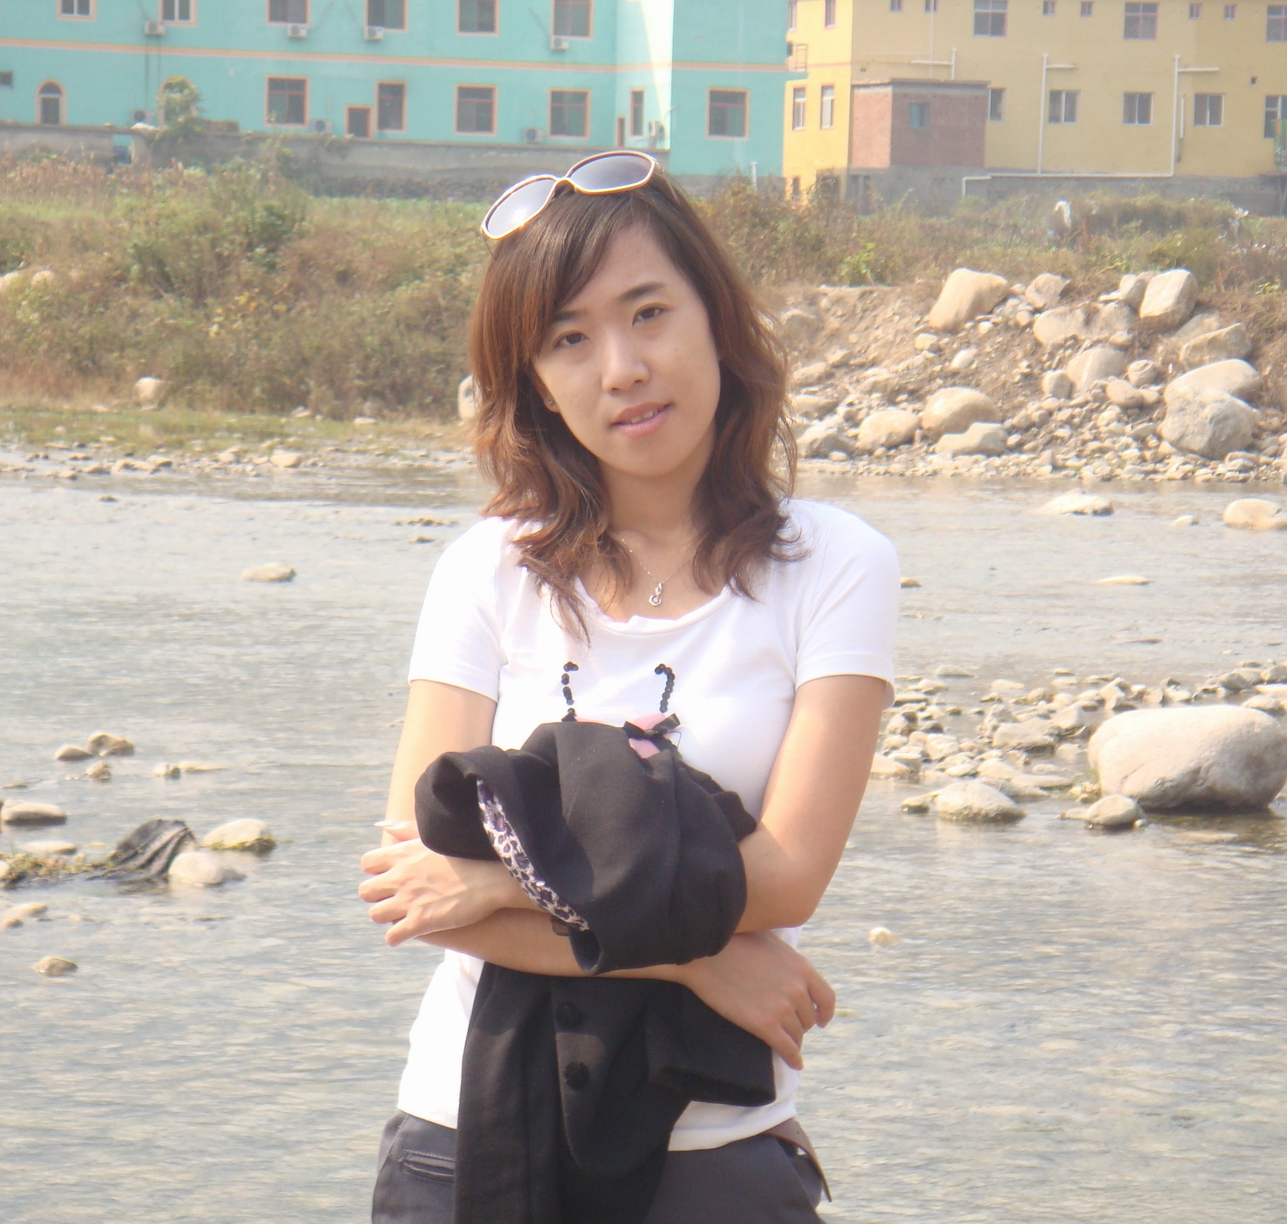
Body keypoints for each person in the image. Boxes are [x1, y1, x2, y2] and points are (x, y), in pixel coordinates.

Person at [359, 151, 899, 1223]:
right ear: (535, 382)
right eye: (570, 339)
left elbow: (785, 880)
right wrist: (694, 965)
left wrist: (504, 885)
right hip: (465, 1140)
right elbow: (412, 884)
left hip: (715, 1153)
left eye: (649, 313)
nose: (622, 368)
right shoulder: (487, 569)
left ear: (717, 321)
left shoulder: (836, 566)